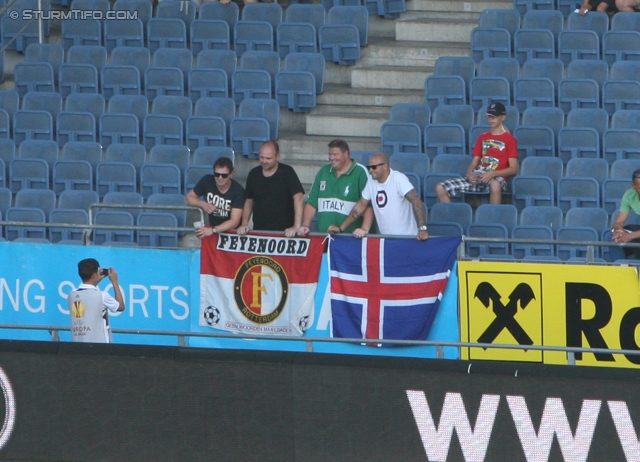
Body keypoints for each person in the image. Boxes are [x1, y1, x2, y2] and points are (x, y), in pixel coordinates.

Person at [328, 153, 429, 240]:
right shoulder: (371, 182)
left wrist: (422, 229)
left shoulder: (398, 179)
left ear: (385, 166)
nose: (371, 170)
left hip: (407, 239)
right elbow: (361, 206)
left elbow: (416, 201)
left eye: (374, 167)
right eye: (369, 167)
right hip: (386, 239)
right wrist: (341, 228)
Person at [435, 101, 519, 205]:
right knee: (440, 187)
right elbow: (474, 162)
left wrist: (492, 173)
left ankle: (493, 218)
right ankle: (450, 216)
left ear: (503, 117)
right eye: (489, 116)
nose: (491, 119)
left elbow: (513, 168)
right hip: (480, 175)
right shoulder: (482, 137)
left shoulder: (510, 139)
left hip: (497, 177)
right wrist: (469, 174)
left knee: (495, 184)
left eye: (494, 116)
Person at [297, 138, 373, 236]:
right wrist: (306, 225)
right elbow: (312, 202)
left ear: (346, 154)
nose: (331, 158)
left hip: (351, 238)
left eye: (335, 154)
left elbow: (368, 205)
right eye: (330, 154)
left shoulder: (360, 172)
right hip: (324, 236)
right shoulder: (323, 171)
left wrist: (364, 228)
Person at [237, 140, 305, 237]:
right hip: (260, 231)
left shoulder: (287, 172)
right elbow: (249, 201)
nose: (264, 161)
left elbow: (299, 197)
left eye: (268, 158)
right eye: (261, 157)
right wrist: (244, 223)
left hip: (285, 233)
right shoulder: (253, 174)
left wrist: (296, 226)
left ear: (278, 157)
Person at [186, 156, 245, 238]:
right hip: (213, 231)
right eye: (217, 174)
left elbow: (234, 221)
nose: (220, 178)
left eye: (224, 175)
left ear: (231, 174)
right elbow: (189, 198)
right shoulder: (207, 181)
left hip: (233, 233)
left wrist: (213, 230)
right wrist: (203, 204)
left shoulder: (238, 190)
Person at [68, 258, 125, 343]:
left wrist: (94, 281)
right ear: (94, 274)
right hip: (98, 345)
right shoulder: (101, 296)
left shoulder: (71, 295)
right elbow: (120, 306)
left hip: (78, 343)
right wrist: (114, 281)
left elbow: (87, 292)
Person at [610, 169, 640, 261]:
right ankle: (622, 268)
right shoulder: (629, 195)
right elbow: (619, 222)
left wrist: (629, 236)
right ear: (633, 186)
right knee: (613, 238)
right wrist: (617, 231)